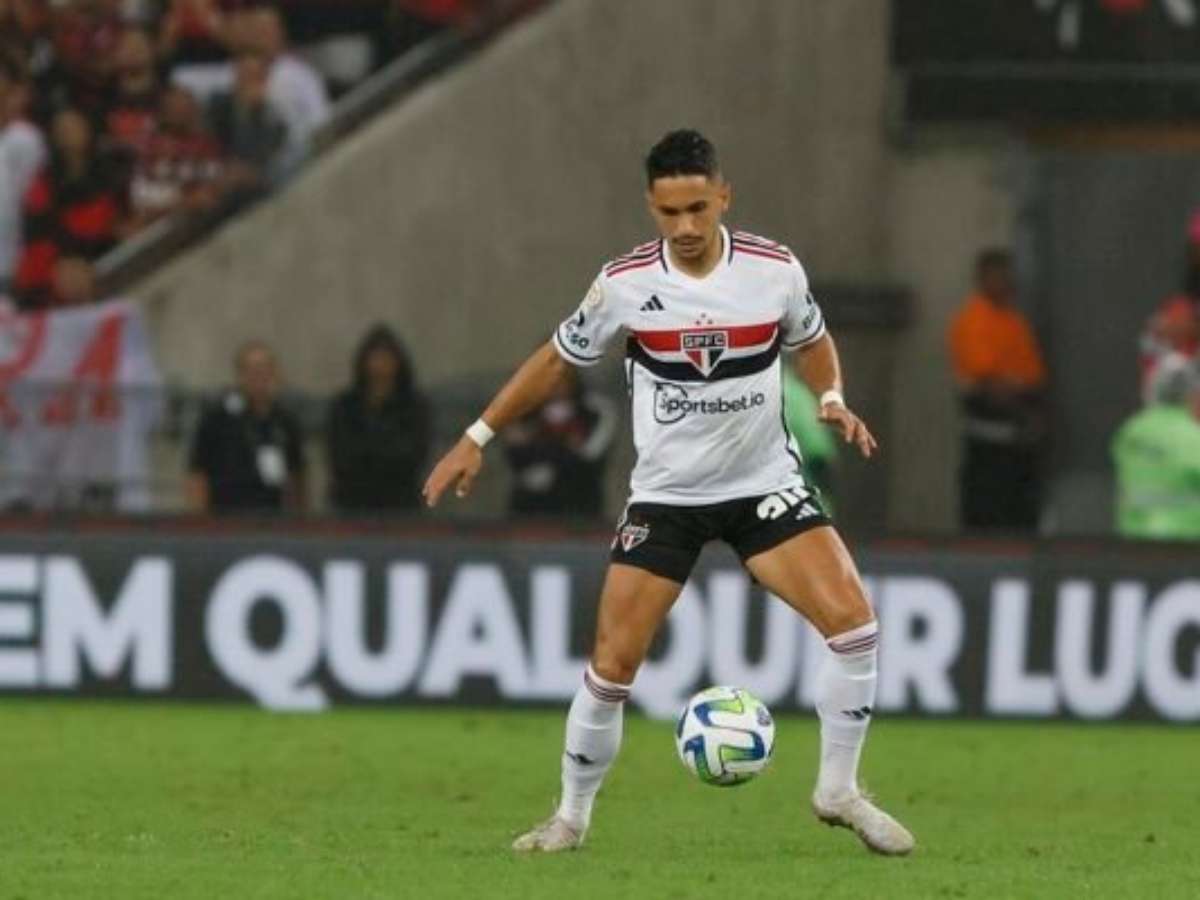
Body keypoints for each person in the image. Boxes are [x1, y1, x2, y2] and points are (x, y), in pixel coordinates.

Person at [423, 130, 914, 856]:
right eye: (669, 212)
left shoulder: (773, 270)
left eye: (697, 208)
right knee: (613, 666)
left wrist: (832, 396)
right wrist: (477, 435)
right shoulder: (624, 285)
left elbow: (811, 338)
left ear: (723, 197)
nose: (684, 226)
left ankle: (838, 791)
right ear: (651, 207)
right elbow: (556, 360)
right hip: (667, 497)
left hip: (763, 485)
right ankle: (570, 819)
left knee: (856, 627)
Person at [947, 249, 1048, 532]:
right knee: (987, 517)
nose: (1004, 282)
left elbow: (1033, 376)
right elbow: (985, 381)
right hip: (988, 438)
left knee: (1020, 519)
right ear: (982, 278)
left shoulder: (1014, 321)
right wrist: (1020, 408)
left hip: (1020, 441)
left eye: (1007, 276)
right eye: (997, 276)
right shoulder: (973, 320)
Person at [186, 339, 306, 514]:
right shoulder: (217, 419)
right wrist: (200, 518)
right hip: (225, 516)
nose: (259, 377)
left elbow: (296, 476)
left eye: (265, 370)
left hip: (272, 516)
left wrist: (295, 516)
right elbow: (198, 474)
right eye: (252, 370)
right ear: (240, 375)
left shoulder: (285, 421)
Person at [326, 323, 431, 514]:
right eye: (375, 358)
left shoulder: (414, 407)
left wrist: (374, 453)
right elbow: (341, 456)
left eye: (386, 358)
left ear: (398, 363)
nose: (380, 366)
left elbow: (414, 456)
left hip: (401, 503)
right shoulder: (345, 407)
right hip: (352, 503)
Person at [503, 365, 616, 518]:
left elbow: (589, 457)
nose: (554, 384)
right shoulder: (527, 413)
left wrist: (549, 457)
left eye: (560, 378)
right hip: (530, 508)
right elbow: (516, 452)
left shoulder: (592, 413)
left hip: (578, 506)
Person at [1112, 353, 1200, 540]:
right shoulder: (1192, 436)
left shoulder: (1131, 430)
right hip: (1185, 539)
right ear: (1191, 394)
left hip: (1133, 536)